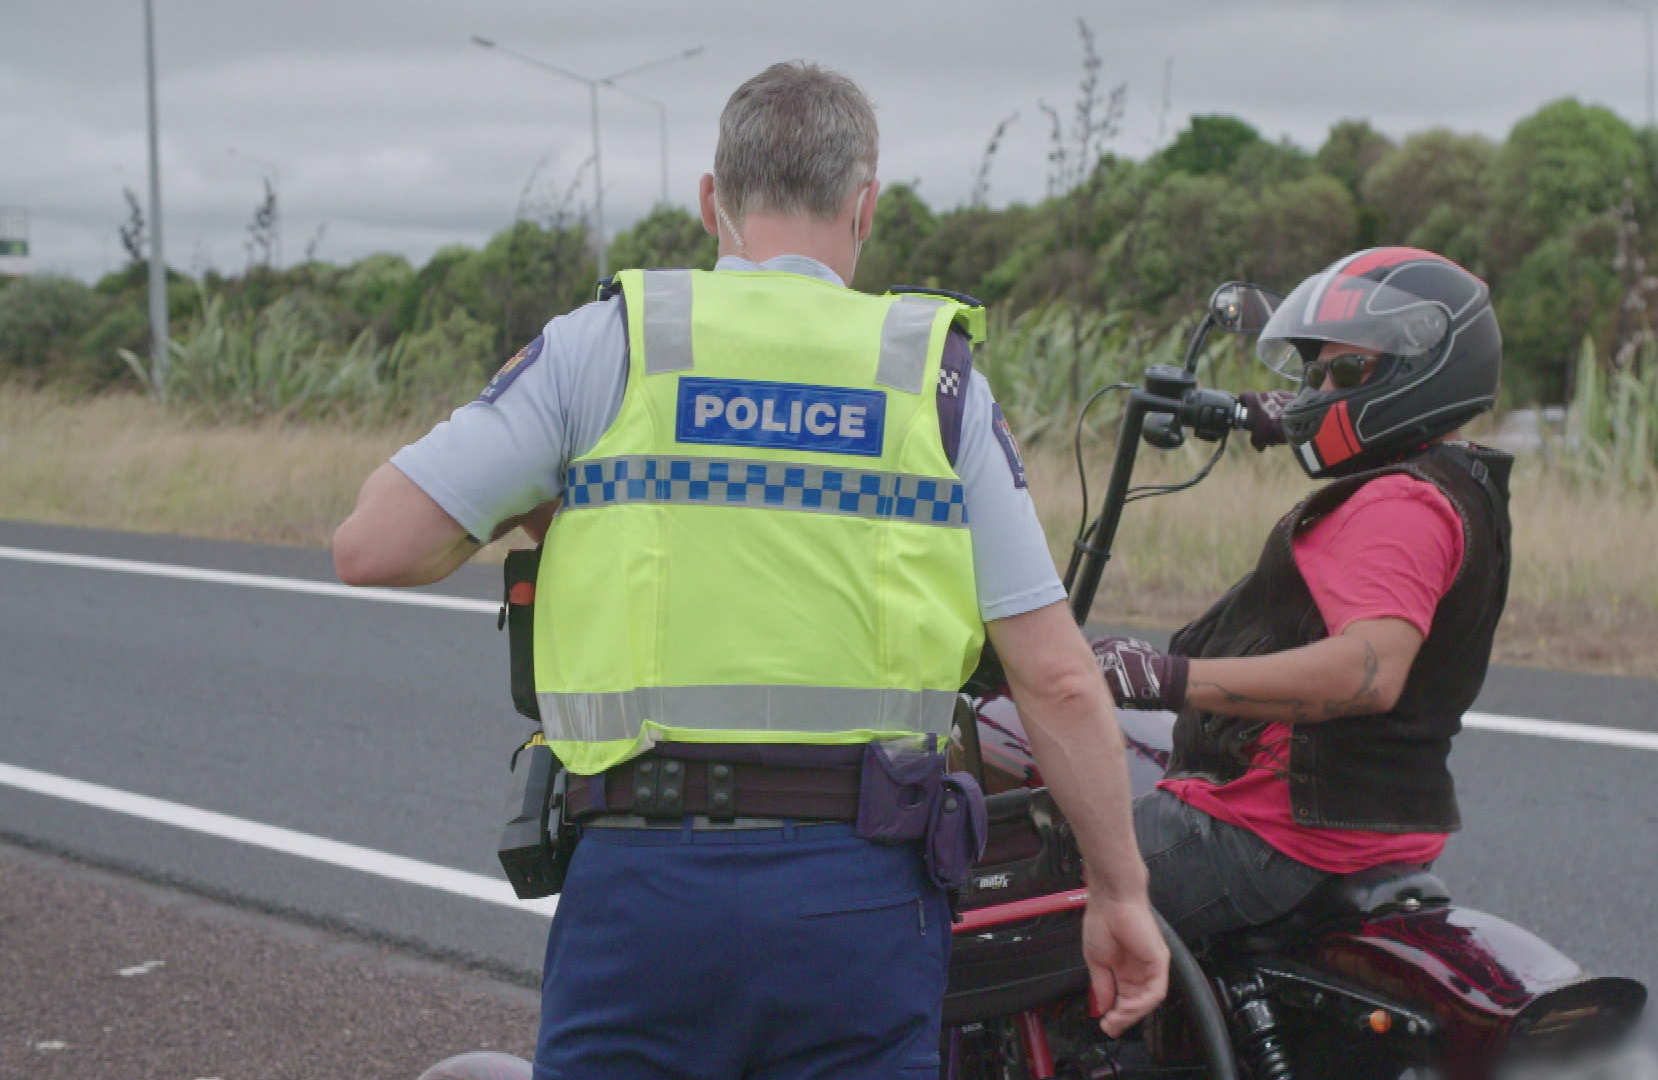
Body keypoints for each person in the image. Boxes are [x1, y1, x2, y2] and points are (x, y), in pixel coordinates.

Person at [335, 61, 1165, 1080]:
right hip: (860, 891)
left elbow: (372, 545)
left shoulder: (611, 345)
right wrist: (1119, 895)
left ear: (711, 202)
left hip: (642, 887)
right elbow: (1059, 678)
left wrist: (544, 505)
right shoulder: (931, 378)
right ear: (867, 205)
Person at [1088, 247, 1512, 941]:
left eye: (1342, 372)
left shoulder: (1400, 507)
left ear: (1424, 374)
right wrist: (1263, 413)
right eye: (1312, 374)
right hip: (1375, 825)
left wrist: (1163, 678)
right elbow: (1345, 416)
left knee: (1024, 876)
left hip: (1271, 838)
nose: (1319, 390)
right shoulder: (1455, 482)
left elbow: (1366, 672)